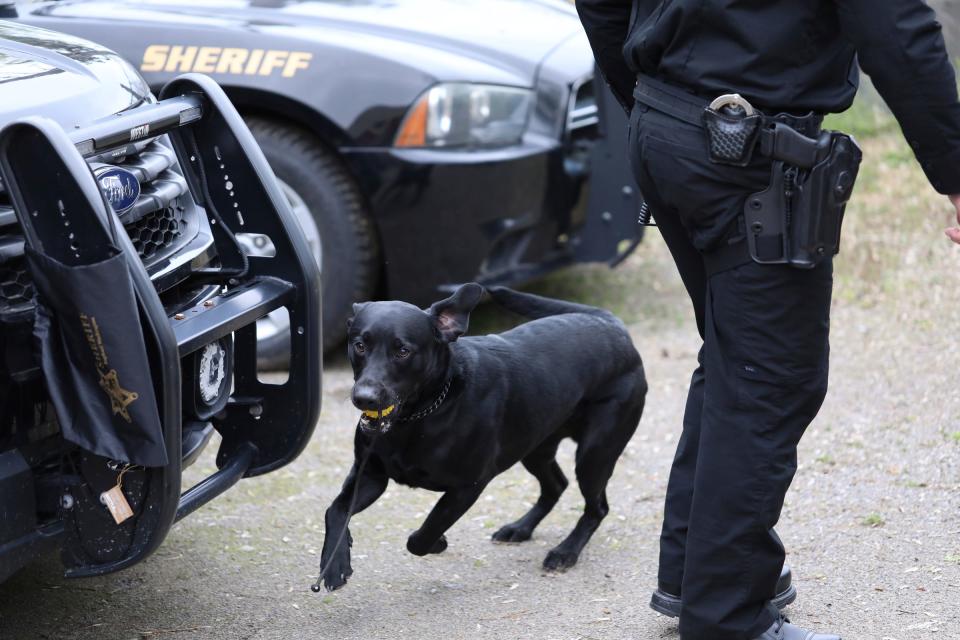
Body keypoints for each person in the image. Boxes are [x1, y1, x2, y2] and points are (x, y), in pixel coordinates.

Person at [575, 2, 960, 639]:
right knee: (768, 379)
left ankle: (693, 575)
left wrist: (656, 102)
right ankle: (728, 618)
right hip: (742, 155)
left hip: (669, 125)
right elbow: (892, 22)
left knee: (735, 355)